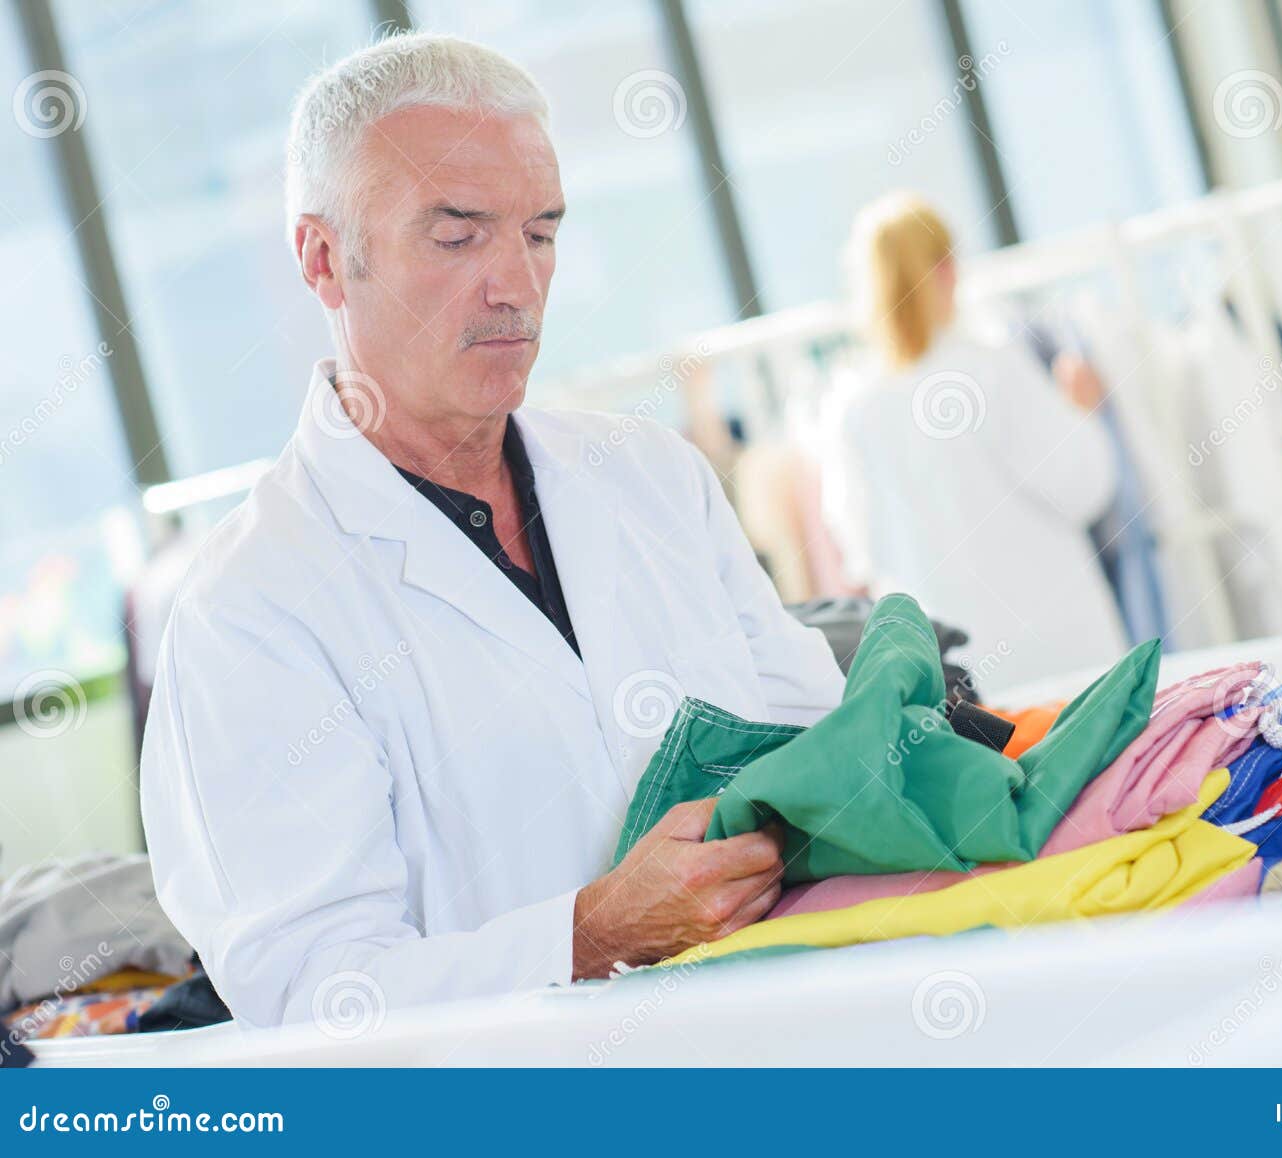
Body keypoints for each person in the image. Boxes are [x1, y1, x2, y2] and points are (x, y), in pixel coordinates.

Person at [138, 33, 846, 1029]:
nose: (514, 283)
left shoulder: (651, 478)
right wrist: (587, 936)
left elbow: (811, 741)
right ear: (325, 258)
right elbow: (309, 997)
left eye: (541, 233)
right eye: (459, 235)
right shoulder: (247, 611)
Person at [819, 194, 1127, 692]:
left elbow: (863, 553)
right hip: (1063, 650)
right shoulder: (992, 370)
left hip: (959, 675)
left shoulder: (853, 410)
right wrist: (1083, 411)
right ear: (946, 271)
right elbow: (1083, 488)